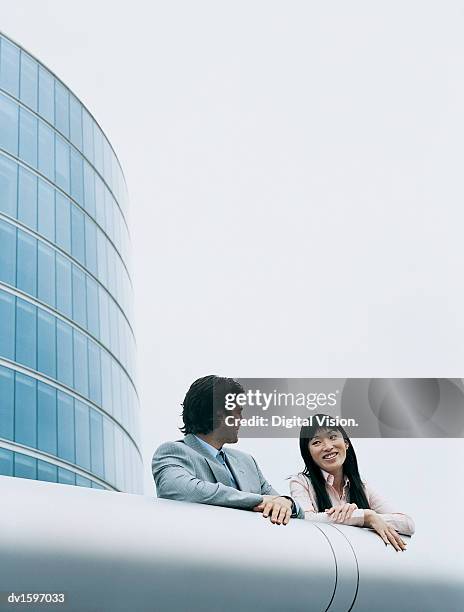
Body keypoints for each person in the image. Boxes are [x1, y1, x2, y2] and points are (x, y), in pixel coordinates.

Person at [152, 375, 304, 525]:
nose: (241, 418)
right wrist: (256, 500)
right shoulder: (172, 452)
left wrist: (287, 503)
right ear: (218, 413)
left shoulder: (247, 461)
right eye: (238, 411)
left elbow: (277, 501)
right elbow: (182, 489)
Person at [289, 416, 415, 551]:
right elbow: (306, 520)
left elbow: (407, 524)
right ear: (308, 454)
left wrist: (371, 517)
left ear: (346, 443)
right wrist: (366, 517)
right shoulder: (301, 482)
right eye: (317, 442)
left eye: (332, 437)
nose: (328, 447)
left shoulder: (362, 487)